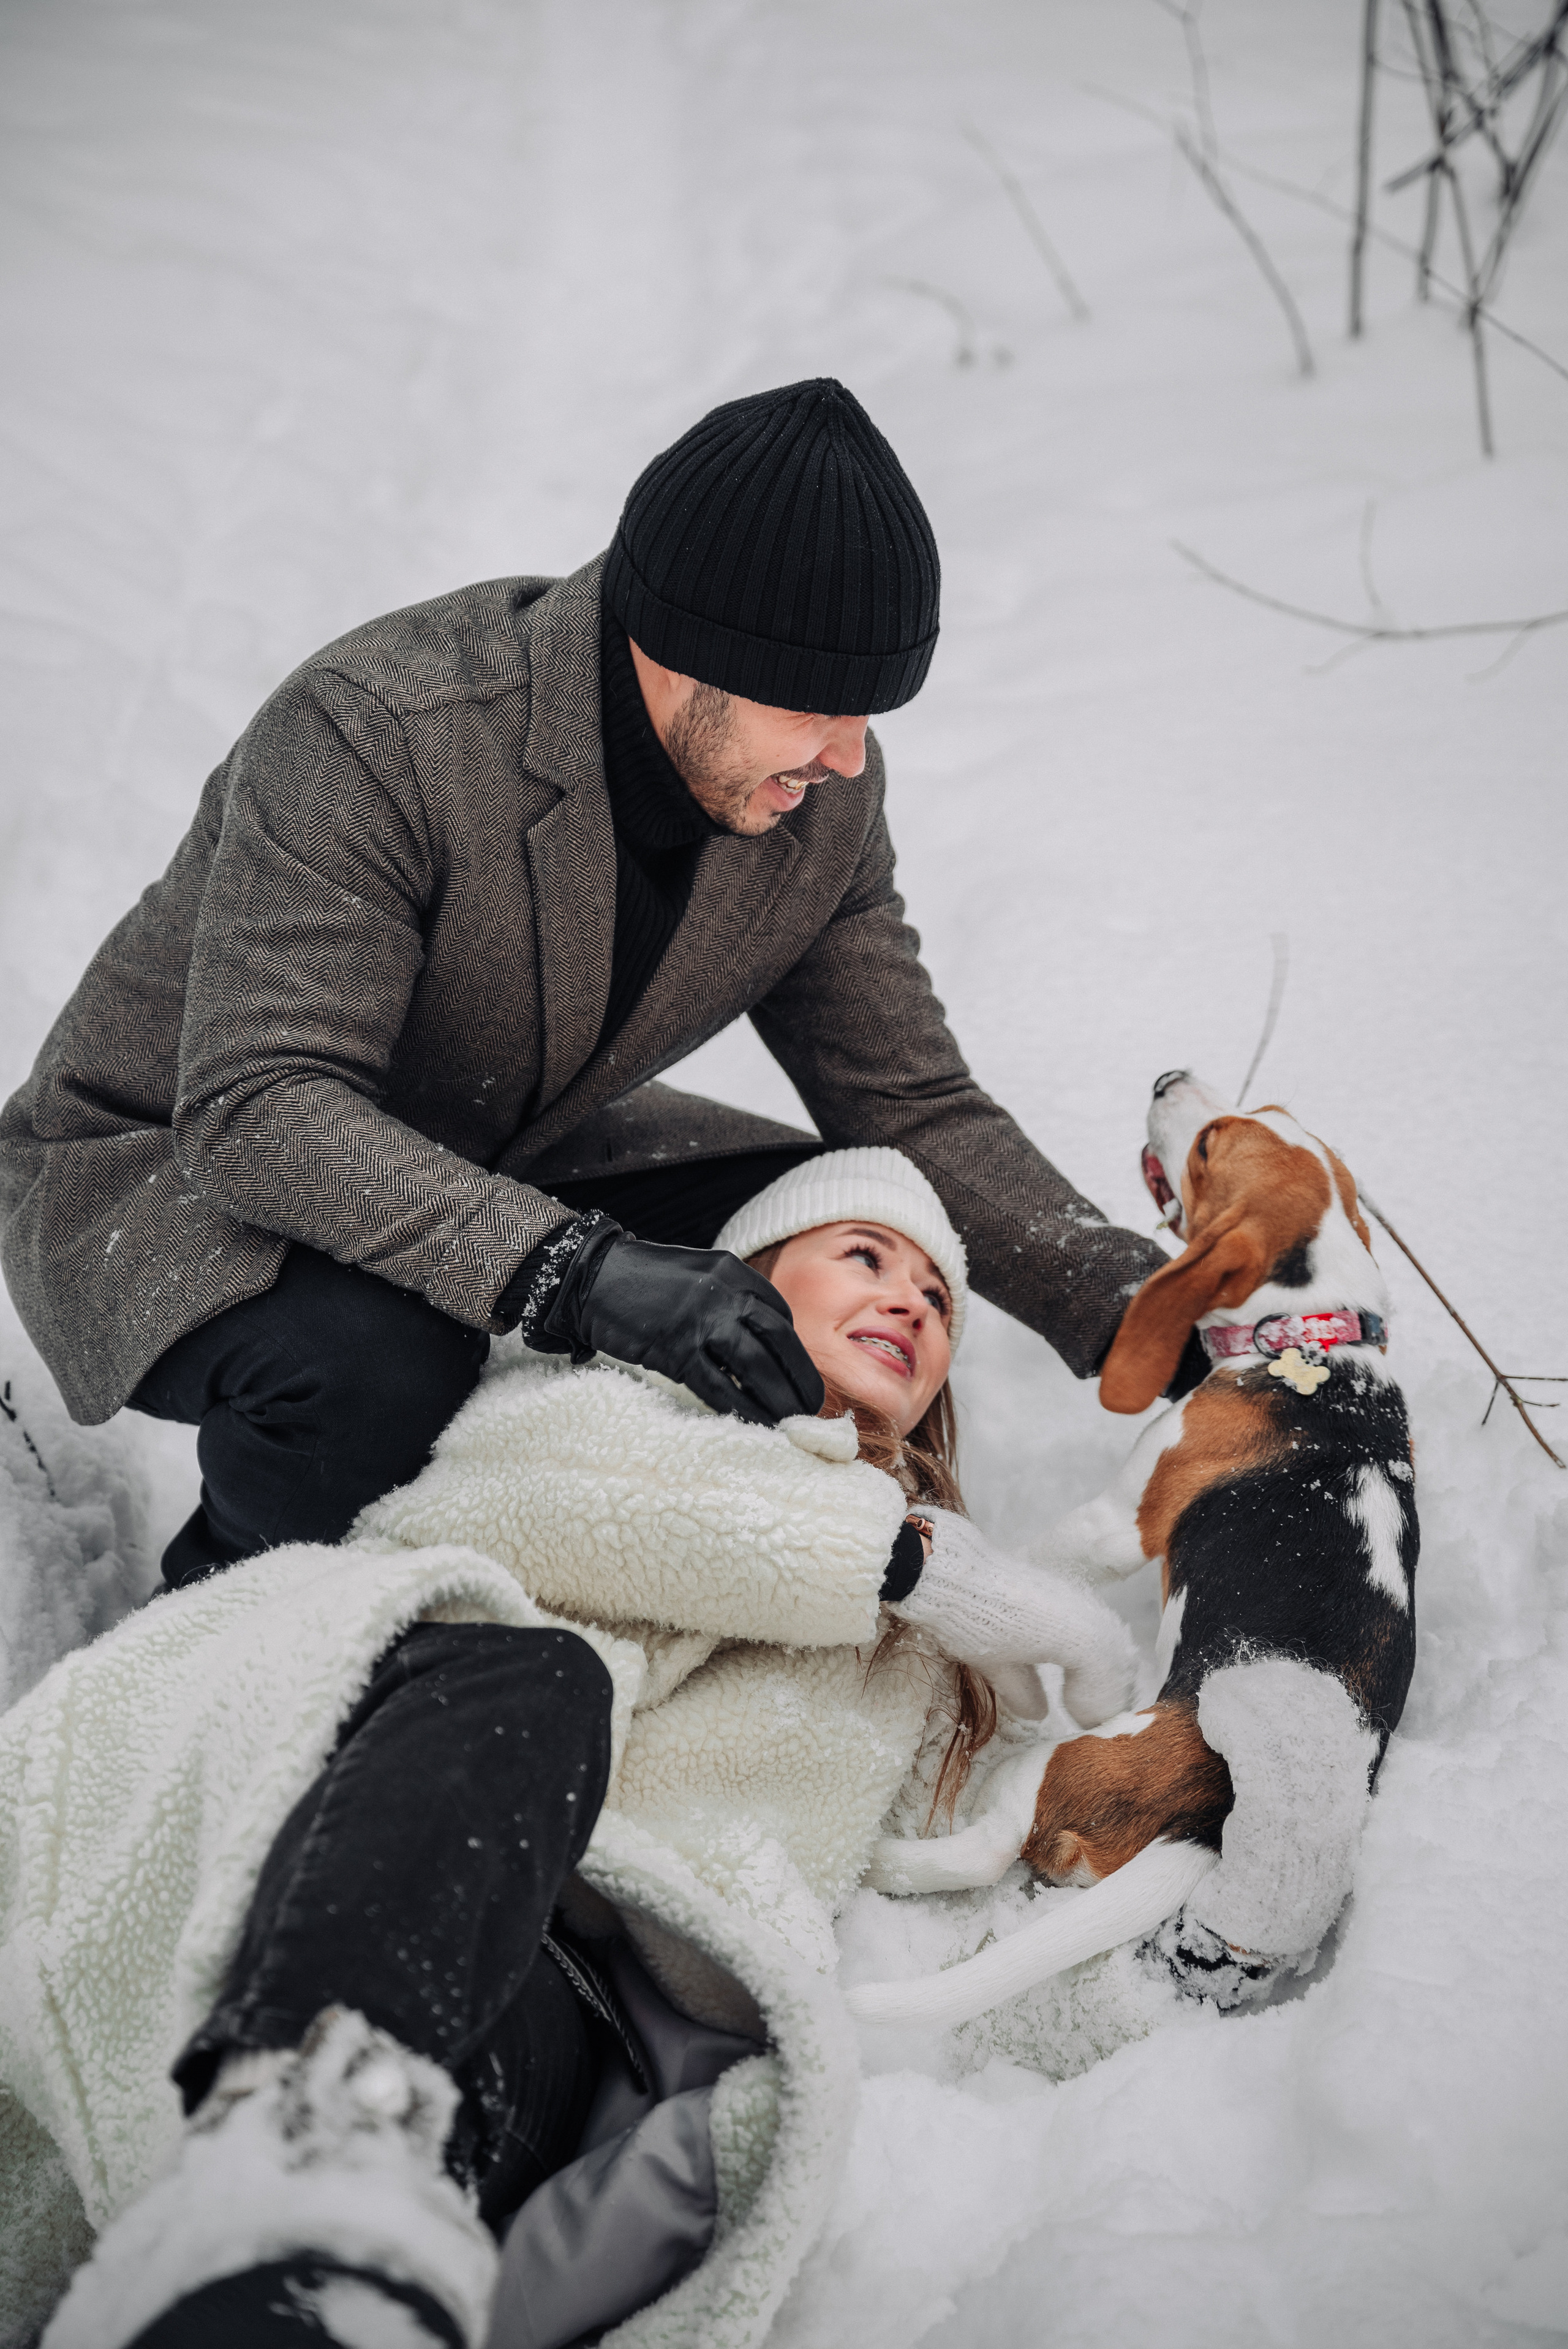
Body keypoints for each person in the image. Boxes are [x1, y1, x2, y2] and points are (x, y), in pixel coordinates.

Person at [0, 375, 1182, 1595]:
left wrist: (1140, 1308)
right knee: (379, 1362)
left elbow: (910, 1105)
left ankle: (675, 1563)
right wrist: (573, 1273)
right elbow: (260, 1107)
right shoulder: (383, 730)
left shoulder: (819, 799)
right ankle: (236, 1622)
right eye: (819, 707)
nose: (848, 755)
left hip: (490, 1143)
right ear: (690, 656)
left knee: (828, 1226)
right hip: (177, 1170)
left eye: (869, 714)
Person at [3, 1152, 1136, 2349]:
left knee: (434, 2169)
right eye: (865, 1257)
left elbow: (925, 1901)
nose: (910, 1300)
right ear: (744, 1281)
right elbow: (526, 1525)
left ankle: (309, 2277)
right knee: (544, 1677)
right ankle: (305, 2129)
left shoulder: (919, 1643)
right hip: (383, 1865)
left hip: (566, 2022)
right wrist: (901, 1564)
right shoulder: (601, 1401)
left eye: (937, 1297)